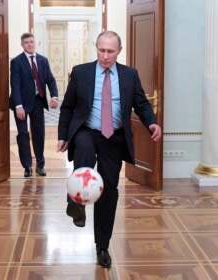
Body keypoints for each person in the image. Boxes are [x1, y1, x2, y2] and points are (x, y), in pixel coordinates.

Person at [57, 31, 162, 268]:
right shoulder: (81, 72)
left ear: (119, 51)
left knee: (109, 190)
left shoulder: (129, 75)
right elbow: (67, 107)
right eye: (101, 50)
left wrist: (152, 122)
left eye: (110, 51)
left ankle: (102, 246)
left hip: (113, 138)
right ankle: (77, 202)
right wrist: (63, 136)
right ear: (96, 49)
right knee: (83, 148)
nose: (105, 56)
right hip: (87, 130)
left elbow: (141, 103)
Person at [10, 33, 58, 177]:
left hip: (38, 101)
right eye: (26, 42)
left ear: (35, 43)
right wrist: (18, 106)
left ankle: (40, 165)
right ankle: (27, 166)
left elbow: (50, 79)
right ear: (22, 45)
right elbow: (15, 85)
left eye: (31, 42)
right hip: (21, 104)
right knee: (23, 134)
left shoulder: (43, 60)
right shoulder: (16, 62)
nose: (29, 44)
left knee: (39, 134)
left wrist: (54, 96)